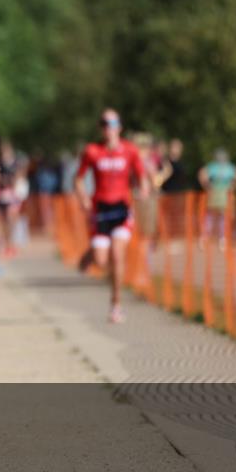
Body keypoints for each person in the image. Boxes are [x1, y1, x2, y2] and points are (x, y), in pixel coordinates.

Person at [74, 109, 150, 324]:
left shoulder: (130, 150)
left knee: (117, 255)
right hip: (100, 211)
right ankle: (92, 253)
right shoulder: (92, 151)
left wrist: (143, 189)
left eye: (113, 123)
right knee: (100, 260)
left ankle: (116, 306)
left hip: (122, 210)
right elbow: (78, 179)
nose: (109, 127)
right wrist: (83, 198)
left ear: (120, 127)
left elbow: (141, 175)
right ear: (101, 128)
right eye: (105, 123)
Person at [198, 148, 236, 249]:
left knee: (214, 217)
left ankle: (210, 238)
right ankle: (217, 238)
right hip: (222, 195)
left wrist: (208, 186)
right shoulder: (227, 168)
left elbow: (202, 175)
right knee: (218, 217)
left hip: (218, 194)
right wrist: (233, 185)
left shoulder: (216, 167)